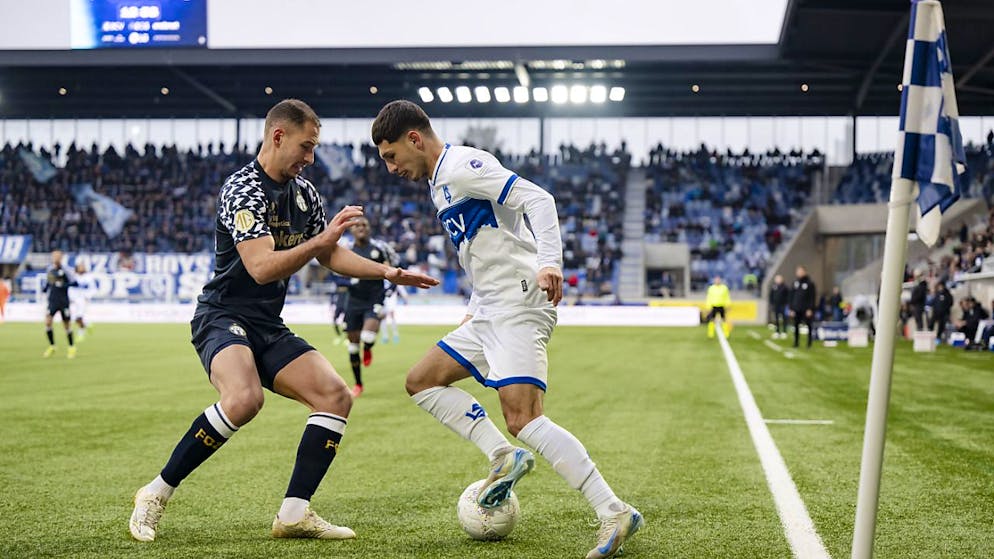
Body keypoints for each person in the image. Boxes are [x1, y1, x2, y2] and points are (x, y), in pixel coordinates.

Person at [128, 99, 437, 544]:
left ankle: (293, 514)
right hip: (222, 316)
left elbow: (330, 255)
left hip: (266, 324)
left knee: (335, 395)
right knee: (244, 398)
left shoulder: (304, 193)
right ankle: (154, 494)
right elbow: (260, 267)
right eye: (306, 147)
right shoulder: (243, 190)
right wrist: (324, 238)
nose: (310, 158)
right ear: (278, 136)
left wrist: (384, 271)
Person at [371, 100, 643, 559]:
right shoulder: (440, 186)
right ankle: (502, 457)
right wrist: (474, 307)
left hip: (518, 301)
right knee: (421, 381)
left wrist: (550, 262)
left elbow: (537, 199)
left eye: (391, 155)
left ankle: (613, 510)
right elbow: (487, 249)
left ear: (413, 139)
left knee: (524, 417)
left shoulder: (461, 166)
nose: (391, 167)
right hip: (489, 308)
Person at [341, 216, 399, 397]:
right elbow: (338, 275)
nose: (361, 228)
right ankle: (358, 384)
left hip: (374, 298)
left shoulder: (380, 248)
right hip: (353, 301)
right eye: (356, 225)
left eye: (364, 225)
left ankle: (368, 348)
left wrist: (388, 293)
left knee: (367, 336)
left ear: (369, 228)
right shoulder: (346, 250)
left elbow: (395, 270)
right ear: (351, 230)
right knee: (352, 347)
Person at [42, 250, 78, 359]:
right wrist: (46, 288)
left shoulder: (66, 270)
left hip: (63, 301)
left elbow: (75, 283)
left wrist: (62, 284)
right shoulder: (50, 269)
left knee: (66, 324)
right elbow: (49, 282)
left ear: (61, 257)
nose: (55, 258)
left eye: (57, 256)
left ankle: (71, 347)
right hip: (52, 300)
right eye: (54, 256)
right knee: (48, 322)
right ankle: (52, 346)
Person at [789, 265, 816, 348]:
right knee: (796, 326)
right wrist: (791, 308)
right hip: (797, 308)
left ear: (805, 272)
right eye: (798, 271)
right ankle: (796, 342)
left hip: (806, 309)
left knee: (809, 326)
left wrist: (810, 309)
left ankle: (809, 343)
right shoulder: (795, 283)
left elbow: (812, 297)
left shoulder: (810, 283)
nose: (799, 273)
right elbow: (791, 296)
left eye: (800, 271)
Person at [69, 262, 94, 341]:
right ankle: (87, 325)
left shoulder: (88, 277)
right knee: (73, 317)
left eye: (83, 267)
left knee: (78, 317)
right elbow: (70, 288)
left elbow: (93, 289)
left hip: (82, 299)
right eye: (80, 267)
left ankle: (81, 332)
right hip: (73, 299)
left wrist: (88, 297)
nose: (82, 268)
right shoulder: (73, 277)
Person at [768, 274, 789, 339]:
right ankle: (777, 332)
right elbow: (771, 296)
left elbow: (788, 296)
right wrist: (772, 303)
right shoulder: (774, 287)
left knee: (784, 319)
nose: (777, 280)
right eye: (776, 279)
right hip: (776, 305)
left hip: (783, 305)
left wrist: (786, 304)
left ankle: (784, 332)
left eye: (779, 279)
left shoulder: (785, 287)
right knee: (776, 319)